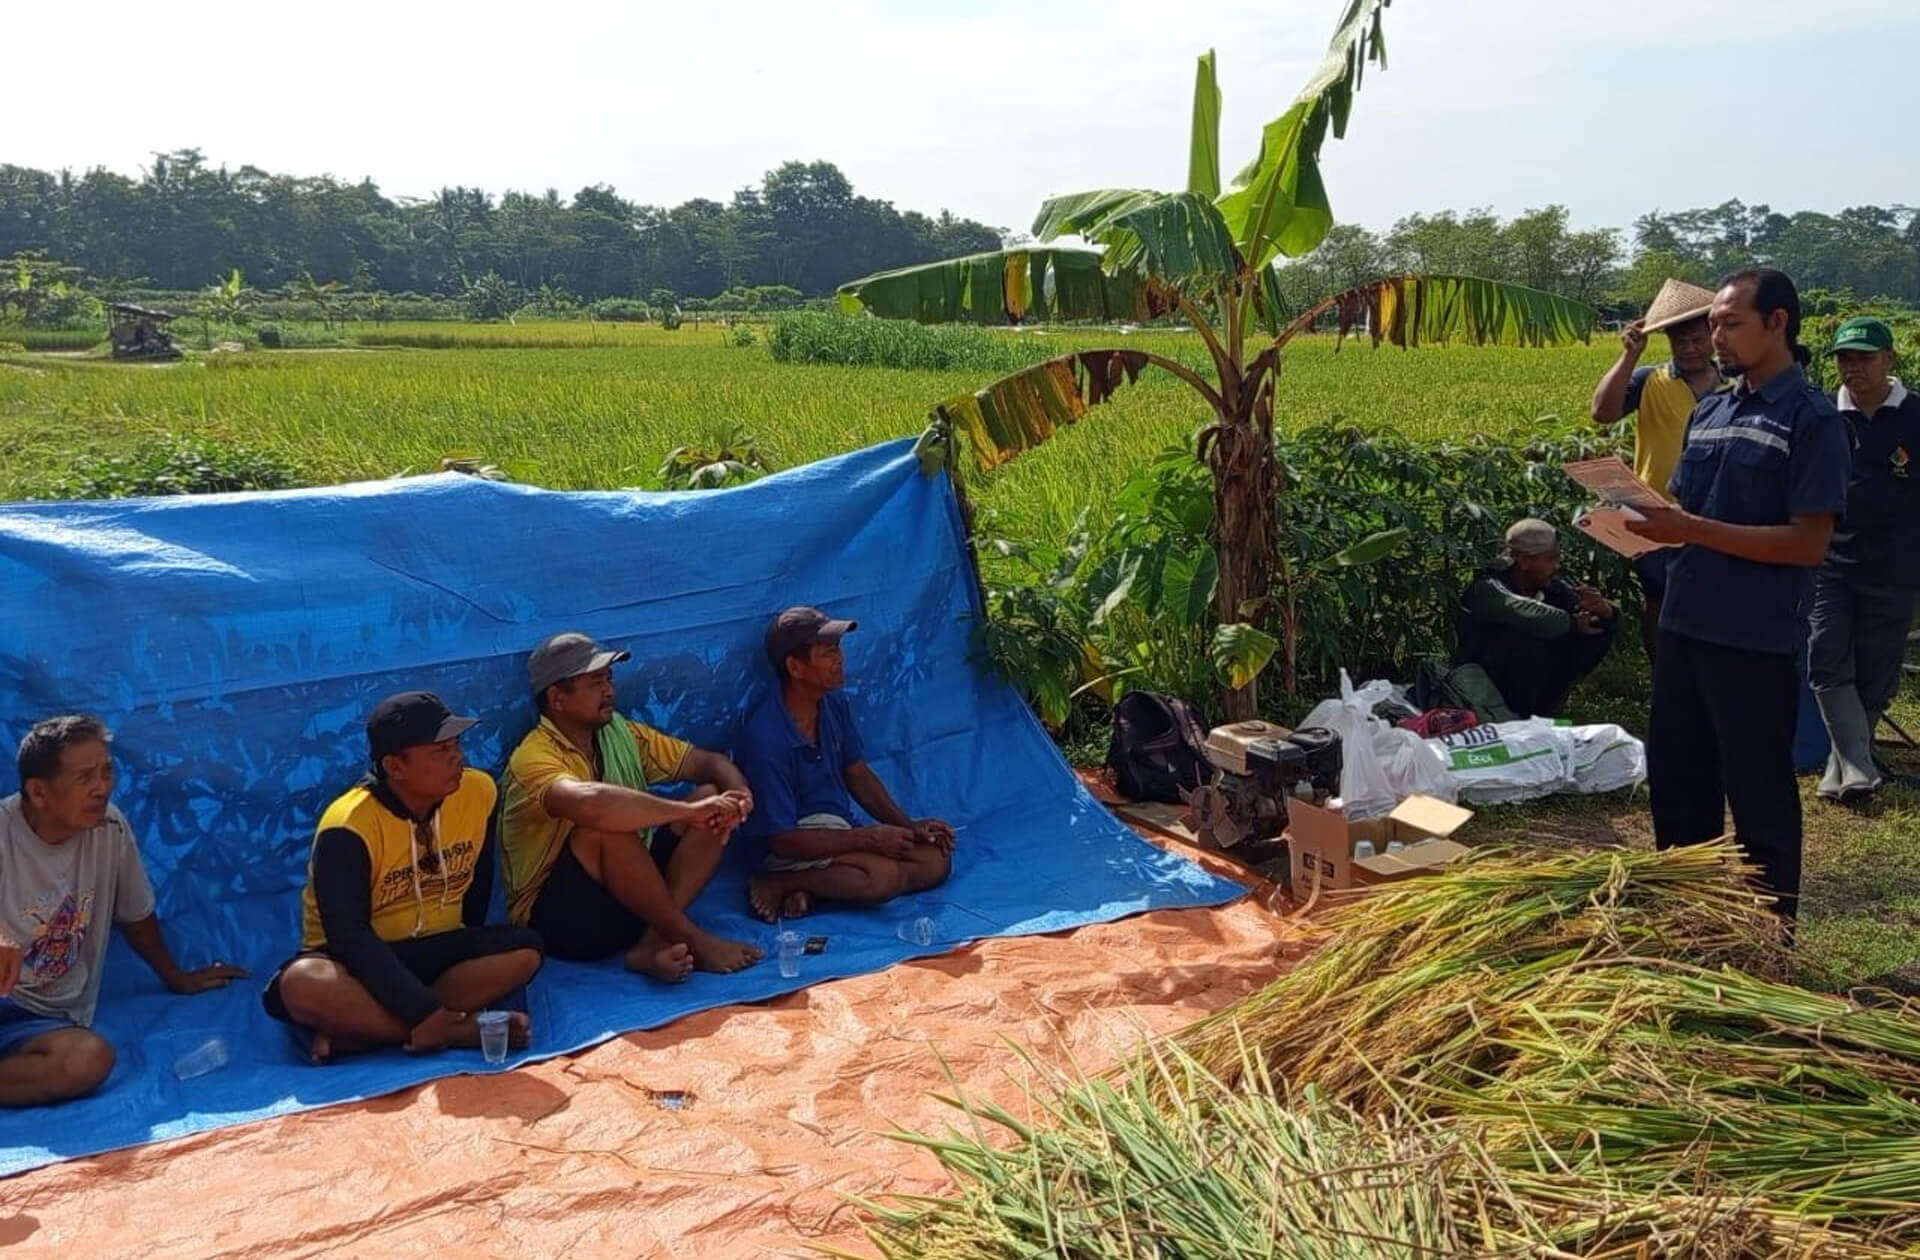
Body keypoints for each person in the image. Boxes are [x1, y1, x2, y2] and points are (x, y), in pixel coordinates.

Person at [1627, 269, 1853, 922]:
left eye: (1731, 323)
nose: (1715, 337)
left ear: (1778, 323)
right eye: (1715, 324)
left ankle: (1764, 940)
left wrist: (1691, 529)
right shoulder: (1713, 410)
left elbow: (1808, 543)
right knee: (1677, 783)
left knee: (1757, 796)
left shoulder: (1812, 421)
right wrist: (1643, 526)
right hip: (1684, 623)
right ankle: (1689, 919)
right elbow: (1691, 515)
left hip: (1753, 638)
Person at [263, 692, 543, 1063]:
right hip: (360, 959)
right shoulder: (348, 823)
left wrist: (466, 946)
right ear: (394, 767)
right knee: (303, 983)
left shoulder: (479, 791)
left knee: (524, 950)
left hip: (437, 946)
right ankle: (452, 1031)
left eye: (456, 744)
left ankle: (364, 1031)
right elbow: (348, 934)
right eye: (438, 751)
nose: (456, 757)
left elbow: (478, 881)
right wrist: (423, 1010)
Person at [2, 716, 246, 1107]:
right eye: (85, 778)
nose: (102, 788)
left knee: (87, 1060)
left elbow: (134, 912)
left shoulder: (111, 827)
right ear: (39, 792)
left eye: (107, 772)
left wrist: (175, 976)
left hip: (38, 1019)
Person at [500, 632, 761, 982]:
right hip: (565, 923)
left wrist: (738, 794)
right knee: (602, 830)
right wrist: (685, 813)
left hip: (633, 899)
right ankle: (694, 940)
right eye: (595, 684)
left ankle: (651, 943)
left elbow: (709, 763)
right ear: (557, 698)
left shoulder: (620, 732)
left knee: (709, 798)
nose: (609, 691)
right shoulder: (532, 757)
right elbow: (591, 806)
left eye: (608, 680)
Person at [735, 607, 954, 922]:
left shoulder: (832, 703)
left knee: (935, 860)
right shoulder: (766, 737)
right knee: (883, 878)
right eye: (827, 653)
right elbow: (782, 839)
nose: (839, 659)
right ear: (795, 667)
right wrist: (870, 838)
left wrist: (909, 826)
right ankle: (780, 881)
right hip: (788, 845)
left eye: (837, 649)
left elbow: (858, 774)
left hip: (837, 830)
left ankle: (813, 891)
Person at [1808, 316, 1920, 801]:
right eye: (1845, 359)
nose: (1853, 368)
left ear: (1889, 359)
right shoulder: (1822, 416)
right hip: (1829, 561)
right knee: (1825, 657)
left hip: (1897, 565)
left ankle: (1848, 766)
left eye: (1864, 358)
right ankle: (1856, 764)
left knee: (1877, 670)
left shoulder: (1915, 414)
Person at [1592, 279, 1725, 663]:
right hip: (1656, 512)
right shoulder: (1650, 380)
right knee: (1660, 595)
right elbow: (1602, 412)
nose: (1690, 348)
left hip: (1718, 516)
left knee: (1715, 599)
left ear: (1713, 337)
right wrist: (1630, 356)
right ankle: (1664, 677)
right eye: (1680, 342)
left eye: (1698, 340)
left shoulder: (1735, 384)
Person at [1456, 519, 1617, 718]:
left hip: (1531, 692)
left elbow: (1595, 619)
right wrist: (1573, 623)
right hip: (1482, 688)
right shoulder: (1488, 588)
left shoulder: (1549, 586)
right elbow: (1531, 615)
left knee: (1598, 634)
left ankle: (1545, 710)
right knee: (1525, 638)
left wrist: (1605, 611)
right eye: (1551, 559)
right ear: (1524, 560)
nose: (1557, 566)